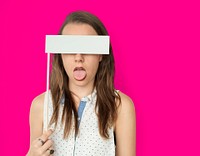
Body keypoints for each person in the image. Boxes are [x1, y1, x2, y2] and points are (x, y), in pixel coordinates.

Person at [27, 11, 136, 156]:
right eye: (70, 48)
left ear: (101, 55)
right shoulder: (41, 105)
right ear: (60, 54)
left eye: (88, 48)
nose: (79, 57)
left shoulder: (120, 106)